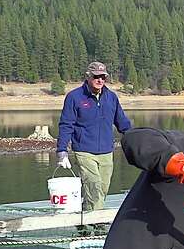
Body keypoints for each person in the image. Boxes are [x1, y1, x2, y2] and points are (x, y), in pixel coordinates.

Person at [57, 61, 133, 212]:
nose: (100, 80)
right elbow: (66, 125)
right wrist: (62, 151)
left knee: (102, 191)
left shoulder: (111, 97)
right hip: (84, 151)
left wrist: (136, 138)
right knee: (94, 187)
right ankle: (96, 228)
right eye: (96, 77)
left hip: (106, 151)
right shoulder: (74, 97)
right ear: (88, 77)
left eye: (103, 77)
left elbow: (122, 122)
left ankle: (84, 225)